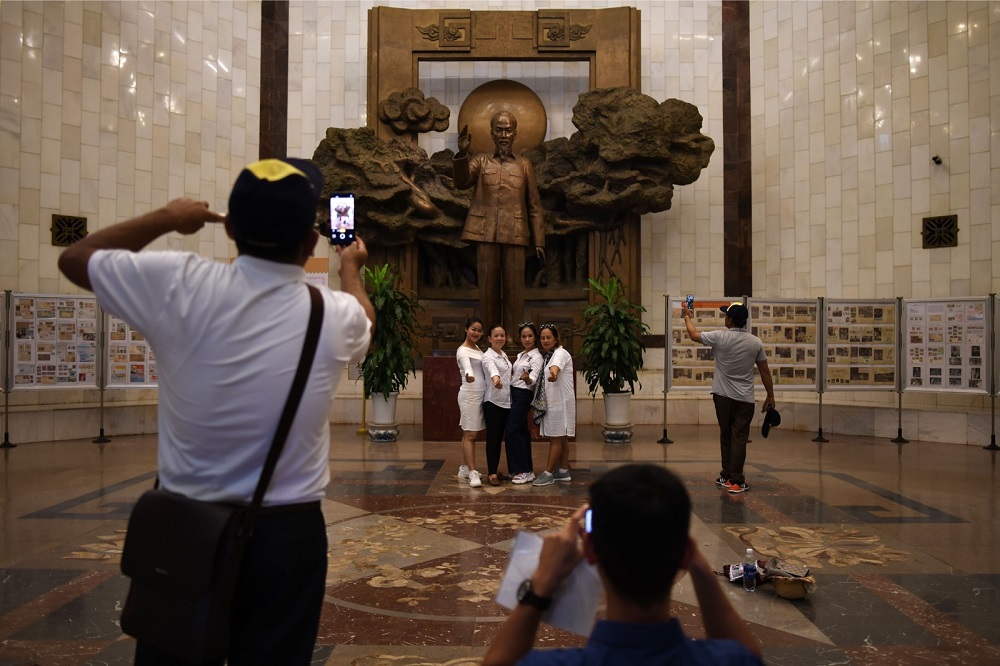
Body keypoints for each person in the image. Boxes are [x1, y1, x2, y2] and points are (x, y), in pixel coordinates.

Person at [57, 158, 375, 664]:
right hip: (285, 536)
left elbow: (77, 258)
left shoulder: (178, 283)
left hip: (185, 527)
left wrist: (168, 216)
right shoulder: (332, 316)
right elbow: (365, 318)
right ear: (311, 243)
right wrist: (350, 269)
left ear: (228, 228)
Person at [482, 464, 764, 666]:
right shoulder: (726, 659)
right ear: (686, 555)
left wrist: (540, 586)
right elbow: (748, 654)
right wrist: (697, 564)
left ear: (590, 551)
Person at [453, 110, 546, 332]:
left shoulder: (524, 165)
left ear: (515, 134)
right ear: (492, 134)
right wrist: (462, 154)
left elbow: (534, 206)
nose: (504, 135)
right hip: (485, 232)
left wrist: (539, 240)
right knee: (487, 288)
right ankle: (488, 336)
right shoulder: (481, 161)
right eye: (499, 130)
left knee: (515, 289)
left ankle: (513, 336)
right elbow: (462, 181)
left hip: (516, 233)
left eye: (508, 130)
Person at [681, 301, 775, 494]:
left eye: (726, 315)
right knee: (739, 437)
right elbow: (765, 371)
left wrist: (687, 316)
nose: (724, 318)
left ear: (731, 320)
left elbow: (693, 334)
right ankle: (735, 479)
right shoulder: (755, 342)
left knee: (725, 434)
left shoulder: (719, 337)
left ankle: (728, 476)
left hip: (722, 396)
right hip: (744, 399)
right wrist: (770, 396)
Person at [532, 324, 575, 487]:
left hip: (559, 401)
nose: (545, 340)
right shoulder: (549, 355)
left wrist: (554, 374)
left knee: (556, 437)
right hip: (556, 400)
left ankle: (548, 473)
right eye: (542, 338)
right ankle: (563, 471)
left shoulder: (559, 353)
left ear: (556, 338)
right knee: (561, 437)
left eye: (548, 337)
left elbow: (555, 368)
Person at [507, 322, 542, 484]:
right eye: (523, 336)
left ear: (535, 337)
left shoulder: (537, 357)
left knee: (513, 430)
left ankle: (524, 470)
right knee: (520, 430)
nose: (527, 339)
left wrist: (527, 378)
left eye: (530, 336)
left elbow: (533, 379)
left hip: (523, 394)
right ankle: (521, 469)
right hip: (514, 393)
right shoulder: (522, 354)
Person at [456, 316, 487, 488]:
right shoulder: (462, 350)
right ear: (466, 329)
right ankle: (473, 472)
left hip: (480, 394)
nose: (476, 333)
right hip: (469, 395)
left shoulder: (477, 349)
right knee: (471, 435)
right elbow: (467, 367)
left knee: (467, 433)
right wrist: (469, 375)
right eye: (473, 329)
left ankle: (464, 468)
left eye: (479, 330)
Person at [482, 325, 513, 486]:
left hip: (506, 402)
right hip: (493, 402)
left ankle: (497, 469)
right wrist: (496, 380)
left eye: (502, 335)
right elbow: (492, 370)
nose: (499, 338)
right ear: (489, 338)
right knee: (493, 438)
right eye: (496, 335)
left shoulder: (503, 355)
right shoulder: (488, 356)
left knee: (502, 438)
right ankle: (492, 473)